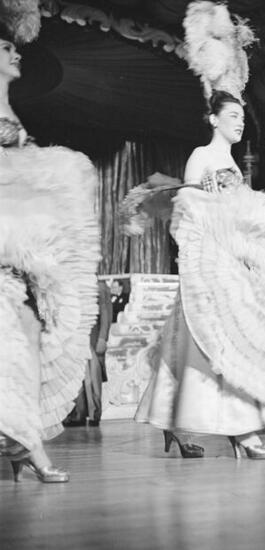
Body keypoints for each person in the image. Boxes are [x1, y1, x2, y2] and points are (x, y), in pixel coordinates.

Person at [134, 91, 265, 459]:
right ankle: (241, 431)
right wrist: (208, 200)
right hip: (209, 262)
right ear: (214, 119)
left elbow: (236, 215)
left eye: (242, 117)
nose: (240, 122)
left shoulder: (232, 164)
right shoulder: (201, 156)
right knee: (219, 340)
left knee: (193, 345)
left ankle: (176, 422)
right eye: (233, 115)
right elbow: (189, 211)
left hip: (229, 259)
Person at [0, 29, 100, 482]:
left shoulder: (10, 110)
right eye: (6, 48)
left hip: (19, 256)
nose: (15, 54)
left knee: (28, 340)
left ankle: (23, 446)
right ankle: (28, 450)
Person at [66, 280, 113, 427]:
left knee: (93, 378)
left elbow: (106, 313)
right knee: (75, 377)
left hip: (92, 336)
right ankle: (77, 414)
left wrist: (103, 337)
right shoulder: (70, 283)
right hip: (74, 336)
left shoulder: (99, 285)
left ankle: (94, 414)